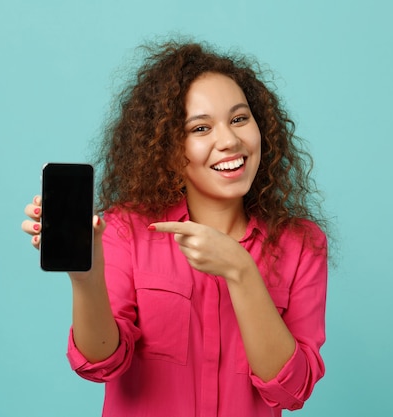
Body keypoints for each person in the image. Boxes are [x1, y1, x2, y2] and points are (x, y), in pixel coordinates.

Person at [22, 40, 328, 417]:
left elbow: (292, 390)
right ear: (169, 147)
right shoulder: (124, 231)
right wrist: (85, 277)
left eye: (239, 119)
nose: (229, 141)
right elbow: (100, 362)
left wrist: (241, 271)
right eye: (201, 128)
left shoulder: (302, 244)